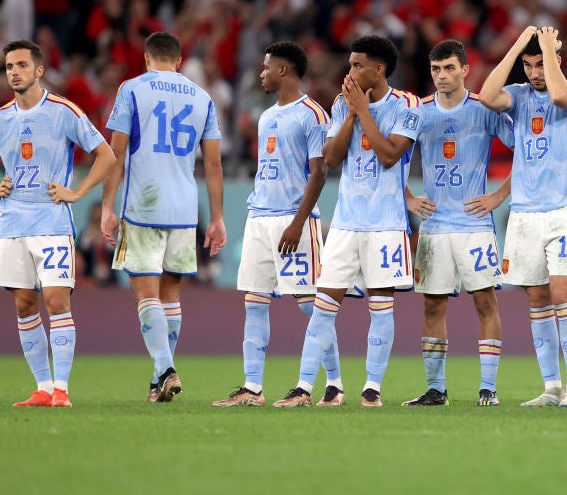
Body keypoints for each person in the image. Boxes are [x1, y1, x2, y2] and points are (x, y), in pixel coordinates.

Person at [276, 35, 420, 408]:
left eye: (358, 65)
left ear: (379, 69)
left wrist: (365, 111)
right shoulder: (343, 104)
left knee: (381, 305)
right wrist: (354, 112)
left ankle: (371, 389)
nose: (351, 71)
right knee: (325, 303)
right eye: (350, 64)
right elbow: (332, 157)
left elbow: (390, 155)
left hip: (386, 224)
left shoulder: (408, 105)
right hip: (345, 223)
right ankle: (304, 388)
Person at [0, 39, 115, 408]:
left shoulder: (63, 111)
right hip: (13, 223)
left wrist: (77, 192)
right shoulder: (0, 118)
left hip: (51, 220)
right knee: (23, 304)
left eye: (21, 65)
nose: (14, 72)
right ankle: (42, 387)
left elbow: (106, 155)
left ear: (39, 70)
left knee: (55, 301)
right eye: (8, 67)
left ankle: (62, 391)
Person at [212, 41, 344, 408]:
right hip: (260, 218)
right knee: (254, 303)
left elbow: (320, 171)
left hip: (293, 221)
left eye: (266, 67)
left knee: (309, 305)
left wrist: (298, 223)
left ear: (283, 70)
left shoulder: (312, 114)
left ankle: (334, 385)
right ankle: (252, 387)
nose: (261, 74)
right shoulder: (267, 116)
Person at [101, 31, 227, 403]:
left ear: (146, 58)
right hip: (185, 209)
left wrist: (107, 206)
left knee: (144, 290)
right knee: (171, 292)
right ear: (180, 61)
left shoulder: (132, 89)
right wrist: (217, 217)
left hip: (143, 206)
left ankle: (165, 367)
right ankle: (159, 379)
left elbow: (116, 151)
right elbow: (214, 162)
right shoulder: (202, 97)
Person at [479, 25, 567, 408]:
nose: (534, 73)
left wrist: (546, 47)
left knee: (563, 293)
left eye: (541, 64)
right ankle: (551, 387)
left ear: (557, 60)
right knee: (538, 299)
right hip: (525, 212)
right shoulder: (519, 96)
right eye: (528, 66)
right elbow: (486, 96)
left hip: (565, 207)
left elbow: (559, 95)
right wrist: (517, 47)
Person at [403, 40, 513, 407]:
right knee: (432, 306)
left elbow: (527, 148)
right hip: (434, 226)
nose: (441, 76)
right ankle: (436, 389)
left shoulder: (484, 108)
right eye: (435, 69)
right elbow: (391, 156)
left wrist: (498, 196)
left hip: (474, 225)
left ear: (465, 69)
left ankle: (489, 389)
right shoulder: (418, 112)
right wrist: (408, 198)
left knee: (485, 302)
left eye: (449, 68)